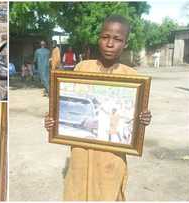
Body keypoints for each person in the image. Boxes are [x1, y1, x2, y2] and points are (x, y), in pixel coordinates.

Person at [45, 15, 152, 201]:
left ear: (125, 43)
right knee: (77, 191)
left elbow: (131, 120)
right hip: (81, 153)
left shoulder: (132, 77)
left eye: (117, 39)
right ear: (99, 39)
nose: (110, 43)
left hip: (112, 157)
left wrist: (143, 119)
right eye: (105, 37)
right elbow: (62, 103)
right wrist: (53, 120)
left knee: (108, 193)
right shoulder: (82, 68)